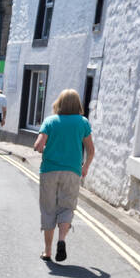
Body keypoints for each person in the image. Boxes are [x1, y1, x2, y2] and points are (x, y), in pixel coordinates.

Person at [34, 88, 95, 263]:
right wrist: (85, 167)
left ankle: (47, 251)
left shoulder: (50, 121)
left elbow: (38, 146)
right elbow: (91, 150)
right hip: (72, 171)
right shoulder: (82, 122)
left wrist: (47, 150)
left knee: (48, 209)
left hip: (49, 170)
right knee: (67, 207)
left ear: (59, 103)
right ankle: (61, 240)